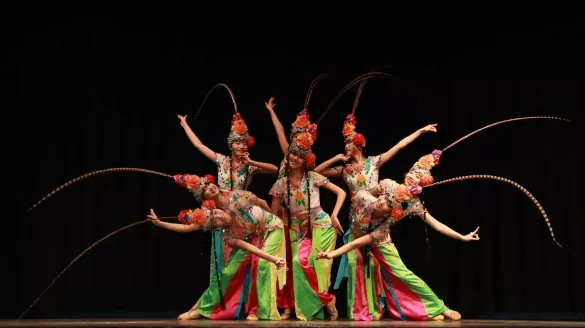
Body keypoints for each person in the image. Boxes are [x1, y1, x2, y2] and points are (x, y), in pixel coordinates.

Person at [316, 150, 479, 321]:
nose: (411, 176)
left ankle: (438, 307)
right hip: (360, 229)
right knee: (358, 276)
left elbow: (436, 224)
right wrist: (363, 217)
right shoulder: (388, 184)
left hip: (380, 238)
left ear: (421, 184)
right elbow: (365, 196)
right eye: (412, 172)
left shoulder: (414, 204)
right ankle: (367, 312)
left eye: (417, 176)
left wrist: (461, 236)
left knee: (403, 275)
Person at [313, 114, 437, 320]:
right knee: (356, 263)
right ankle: (360, 310)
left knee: (376, 263)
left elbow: (398, 146)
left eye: (349, 143)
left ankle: (376, 307)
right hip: (356, 218)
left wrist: (420, 131)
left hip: (379, 214)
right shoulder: (344, 169)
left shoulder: (374, 162)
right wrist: (336, 158)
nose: (346, 147)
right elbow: (315, 173)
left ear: (359, 144)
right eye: (345, 143)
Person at [147, 196, 288, 321]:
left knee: (261, 264)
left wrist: (266, 210)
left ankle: (265, 312)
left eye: (215, 213)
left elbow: (258, 199)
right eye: (215, 221)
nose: (218, 217)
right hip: (253, 239)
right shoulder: (228, 236)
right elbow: (249, 247)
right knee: (227, 273)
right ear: (216, 227)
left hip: (272, 228)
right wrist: (160, 223)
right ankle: (199, 308)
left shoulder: (235, 205)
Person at [177, 113, 278, 277]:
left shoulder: (250, 167)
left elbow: (274, 169)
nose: (241, 146)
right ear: (231, 144)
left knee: (245, 260)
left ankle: (244, 298)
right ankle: (223, 298)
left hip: (243, 214)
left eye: (244, 143)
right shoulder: (221, 161)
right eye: (237, 142)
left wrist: (252, 163)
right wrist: (185, 124)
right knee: (223, 261)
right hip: (222, 211)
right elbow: (198, 146)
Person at [268, 112, 345, 321]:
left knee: (317, 263)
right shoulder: (281, 184)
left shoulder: (313, 177)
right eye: (292, 154)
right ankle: (326, 299)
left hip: (322, 224)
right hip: (300, 229)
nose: (295, 158)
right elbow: (273, 215)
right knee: (297, 261)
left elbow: (341, 192)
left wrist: (335, 215)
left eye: (300, 156)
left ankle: (319, 305)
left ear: (306, 160)